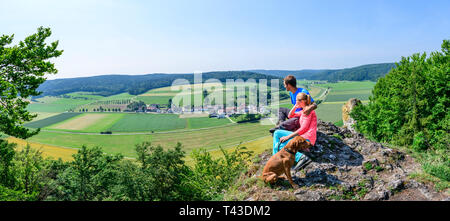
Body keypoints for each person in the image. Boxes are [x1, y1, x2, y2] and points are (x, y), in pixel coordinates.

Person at [272, 92, 317, 171]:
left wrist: (288, 137)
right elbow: (290, 116)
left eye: (297, 101)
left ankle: (301, 158)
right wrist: (295, 106)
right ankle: (275, 159)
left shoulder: (308, 111)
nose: (295, 102)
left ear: (302, 101)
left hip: (307, 138)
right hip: (302, 136)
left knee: (279, 140)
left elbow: (304, 128)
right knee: (277, 136)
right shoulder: (303, 110)